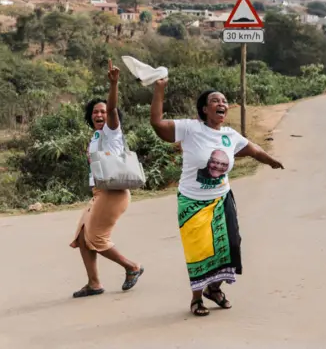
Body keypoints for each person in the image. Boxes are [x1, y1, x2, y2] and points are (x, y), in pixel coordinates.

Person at [150, 79, 284, 317]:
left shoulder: (229, 135)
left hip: (221, 199)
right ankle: (196, 298)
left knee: (231, 246)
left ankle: (214, 288)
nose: (221, 104)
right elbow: (158, 124)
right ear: (204, 109)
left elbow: (253, 149)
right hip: (192, 202)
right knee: (199, 251)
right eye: (215, 101)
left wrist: (271, 161)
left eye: (224, 101)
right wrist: (159, 89)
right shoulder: (191, 129)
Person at [70, 60, 144, 298]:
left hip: (114, 192)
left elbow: (112, 109)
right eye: (95, 112)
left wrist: (114, 84)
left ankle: (132, 267)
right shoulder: (95, 136)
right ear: (90, 117)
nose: (100, 114)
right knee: (83, 236)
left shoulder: (112, 132)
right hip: (100, 192)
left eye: (102, 111)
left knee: (97, 238)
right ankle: (94, 283)